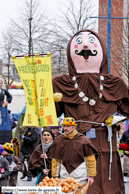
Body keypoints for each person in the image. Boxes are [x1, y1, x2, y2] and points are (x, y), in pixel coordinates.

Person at [52, 29, 129, 194]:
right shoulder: (61, 83)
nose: (85, 45)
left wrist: (117, 119)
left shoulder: (115, 83)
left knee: (107, 184)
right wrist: (50, 101)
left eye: (91, 41)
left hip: (106, 146)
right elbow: (49, 115)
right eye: (78, 42)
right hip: (75, 149)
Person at [48, 117, 97, 190]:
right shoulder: (58, 140)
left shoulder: (84, 140)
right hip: (64, 177)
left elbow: (91, 160)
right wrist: (55, 176)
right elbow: (55, 160)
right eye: (64, 126)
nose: (65, 128)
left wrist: (91, 176)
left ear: (74, 127)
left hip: (80, 177)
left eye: (68, 126)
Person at [0, 77, 12, 144]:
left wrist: (7, 102)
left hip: (2, 108)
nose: (0, 84)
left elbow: (10, 97)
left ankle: (4, 140)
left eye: (1, 83)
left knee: (3, 122)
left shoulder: (4, 90)